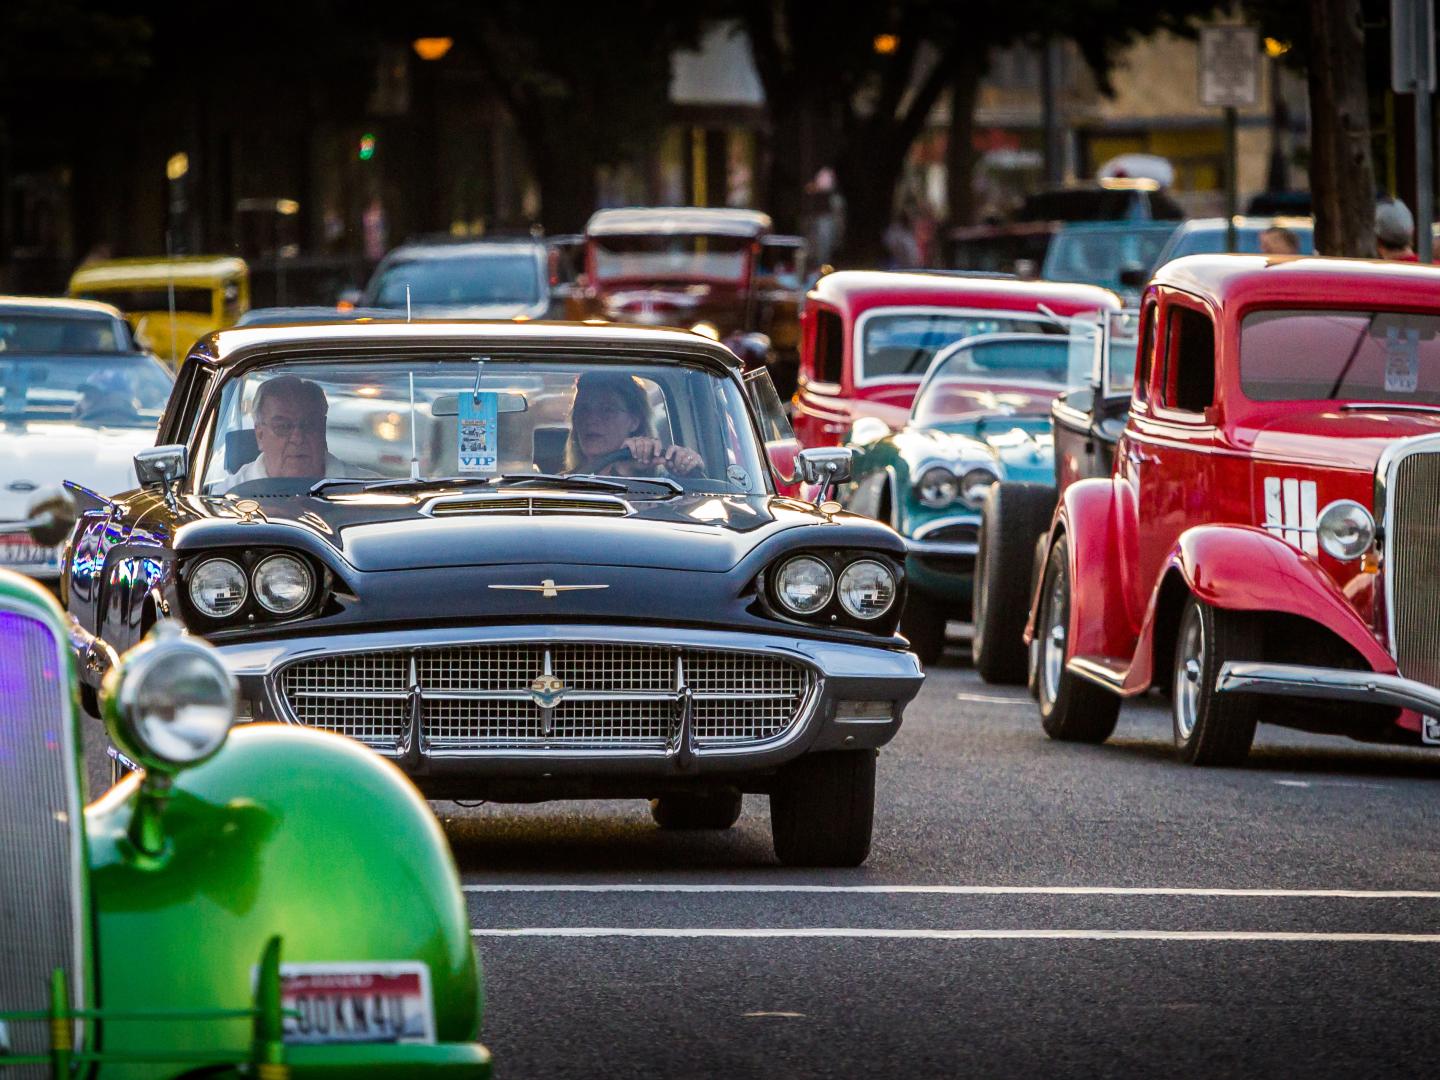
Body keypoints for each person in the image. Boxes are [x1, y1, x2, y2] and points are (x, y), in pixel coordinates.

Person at [564, 371, 703, 477]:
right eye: (583, 409)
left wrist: (687, 466)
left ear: (635, 421)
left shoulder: (665, 486)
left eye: (608, 410)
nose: (591, 418)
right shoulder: (558, 487)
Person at [226, 375, 349, 485]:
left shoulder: (362, 490)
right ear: (260, 435)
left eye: (309, 425)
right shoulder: (223, 496)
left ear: (322, 429)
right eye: (283, 426)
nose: (298, 438)